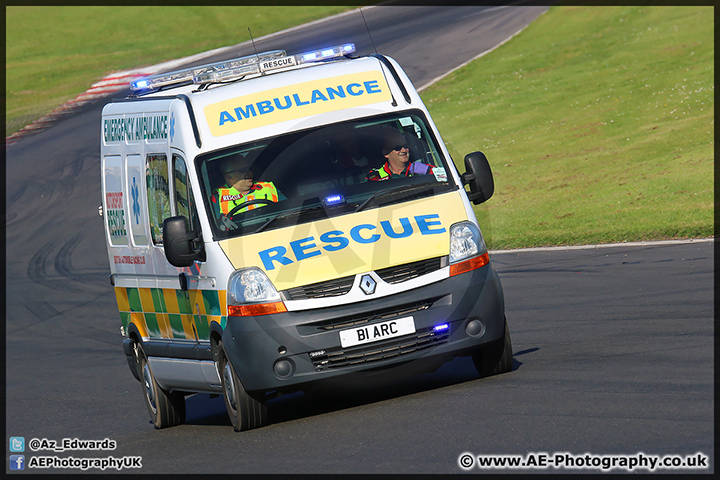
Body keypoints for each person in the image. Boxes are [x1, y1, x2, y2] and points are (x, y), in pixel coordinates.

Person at [211, 152, 285, 226]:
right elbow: (218, 229)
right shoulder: (218, 199)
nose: (249, 173)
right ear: (229, 177)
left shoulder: (268, 188)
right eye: (243, 170)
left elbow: (288, 210)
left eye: (249, 169)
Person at [364, 132, 434, 181]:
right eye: (398, 148)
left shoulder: (423, 169)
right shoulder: (373, 177)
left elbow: (442, 178)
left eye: (406, 146)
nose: (404, 150)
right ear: (386, 153)